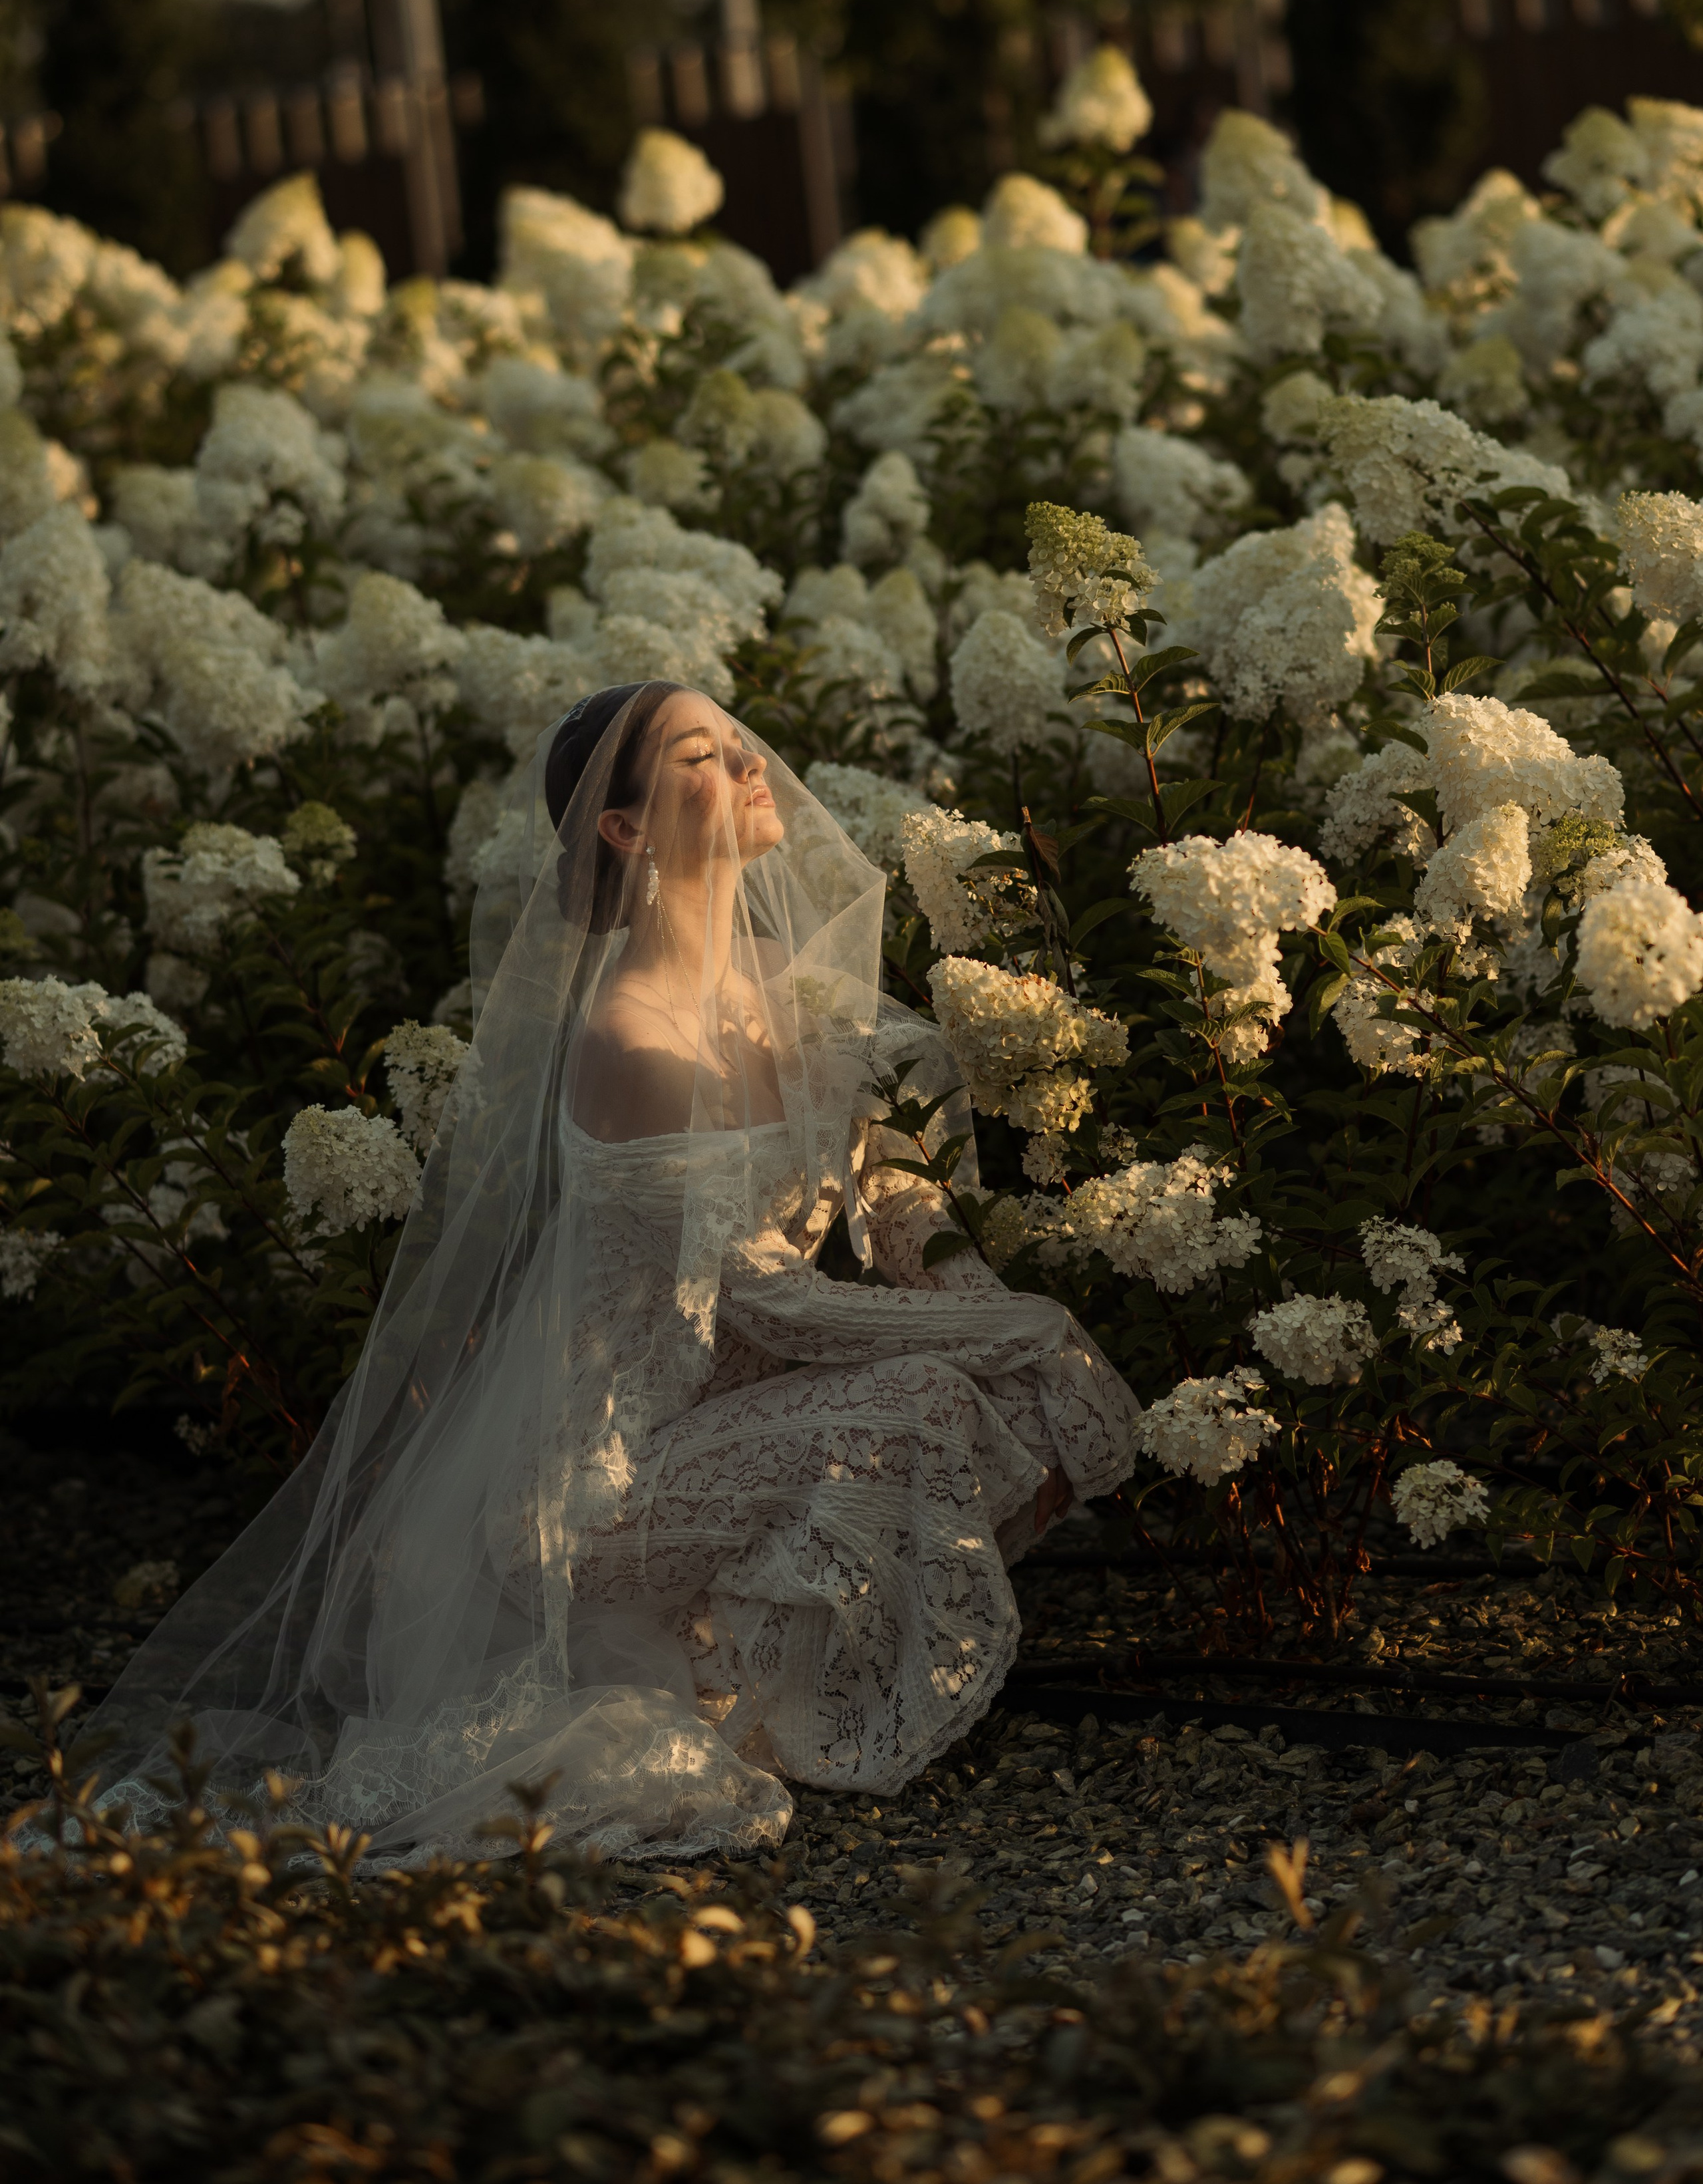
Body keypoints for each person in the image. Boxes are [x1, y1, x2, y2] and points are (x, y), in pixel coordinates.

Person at [92, 684, 1139, 1864]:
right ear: (624, 828)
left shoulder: (786, 984)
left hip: (742, 1416)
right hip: (603, 1482)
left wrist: (1039, 1362)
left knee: (1000, 1391)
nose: (751, 765)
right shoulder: (632, 1038)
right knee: (933, 1400)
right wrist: (1021, 1341)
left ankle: (764, 1653)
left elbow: (899, 1199)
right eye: (703, 755)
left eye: (740, 741)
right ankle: (745, 1683)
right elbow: (763, 1298)